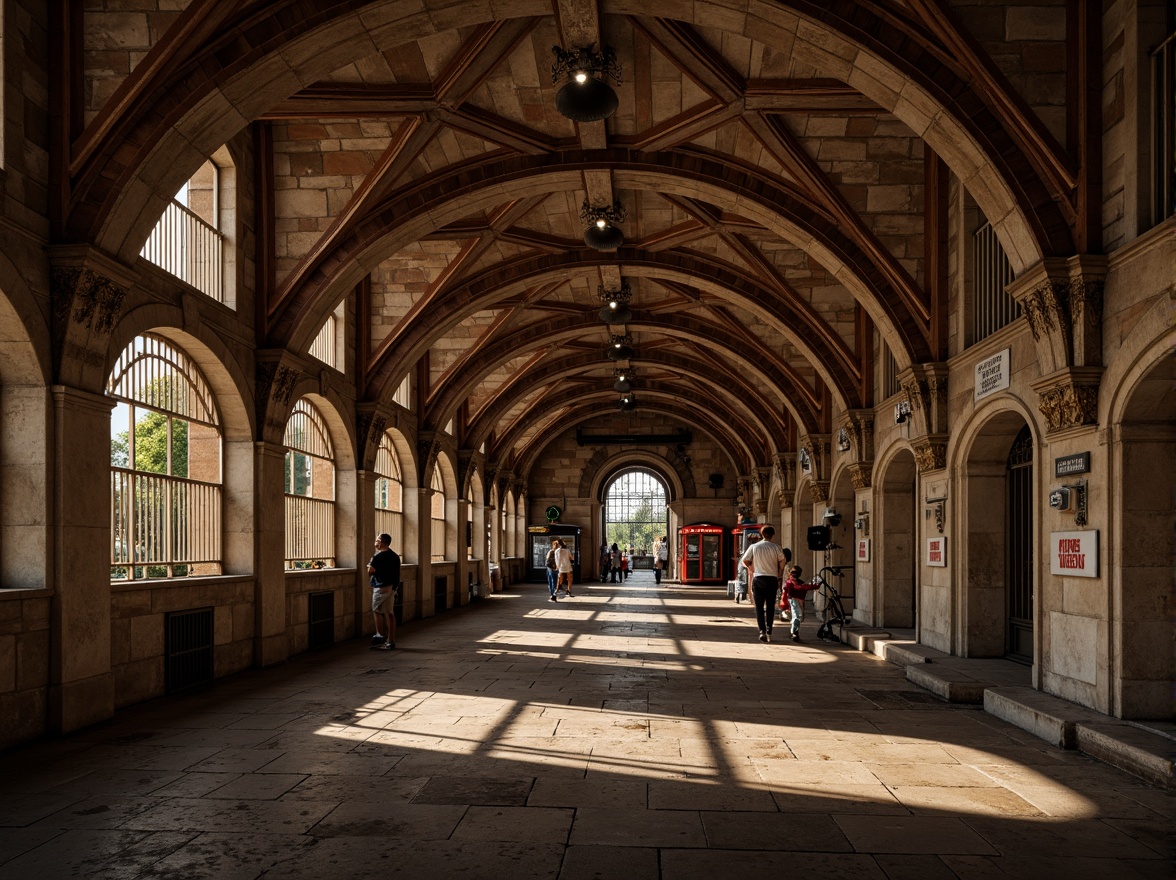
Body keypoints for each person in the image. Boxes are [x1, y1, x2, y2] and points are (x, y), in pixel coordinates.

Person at [740, 525, 788, 643]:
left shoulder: (754, 547)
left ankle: (762, 631)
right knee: (770, 606)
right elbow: (783, 560)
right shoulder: (776, 547)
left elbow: (744, 560)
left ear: (762, 534)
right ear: (772, 535)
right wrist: (780, 572)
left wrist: (750, 568)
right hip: (772, 579)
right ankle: (769, 629)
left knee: (759, 607)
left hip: (759, 578)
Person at [367, 533, 401, 650]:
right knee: (390, 613)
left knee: (376, 610)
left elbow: (371, 571)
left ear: (381, 541)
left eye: (377, 540)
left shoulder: (377, 556)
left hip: (380, 586)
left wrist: (370, 572)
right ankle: (391, 641)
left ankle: (379, 635)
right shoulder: (395, 556)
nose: (375, 542)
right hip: (392, 587)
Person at [781, 565, 815, 641]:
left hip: (799, 601)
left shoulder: (799, 582)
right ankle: (794, 632)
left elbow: (803, 587)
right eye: (793, 572)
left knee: (798, 617)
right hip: (793, 601)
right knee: (796, 616)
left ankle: (795, 632)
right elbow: (792, 590)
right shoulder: (790, 582)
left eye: (797, 573)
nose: (794, 574)